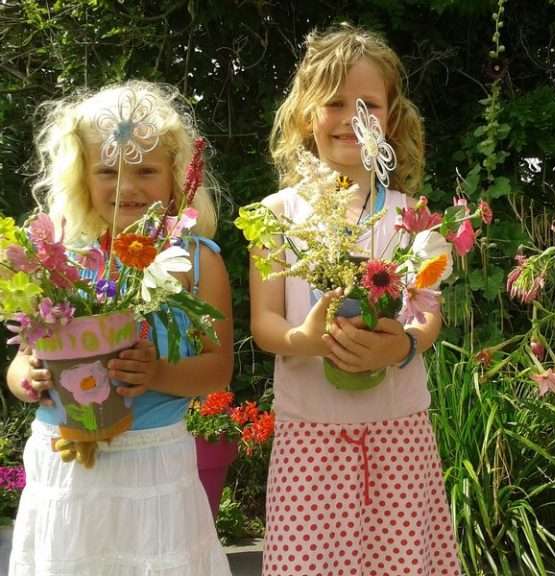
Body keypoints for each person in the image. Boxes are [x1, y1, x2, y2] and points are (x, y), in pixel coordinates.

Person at [251, 23, 461, 576]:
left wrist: (400, 349)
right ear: (305, 116)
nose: (351, 117)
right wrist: (304, 339)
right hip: (310, 434)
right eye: (334, 103)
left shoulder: (410, 217)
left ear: (389, 118)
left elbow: (427, 314)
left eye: (368, 103)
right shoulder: (276, 215)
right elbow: (266, 324)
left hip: (398, 430)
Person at [5, 80, 234, 576]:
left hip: (152, 462)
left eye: (146, 170)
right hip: (64, 461)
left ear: (176, 178)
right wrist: (29, 379)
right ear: (80, 178)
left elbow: (217, 369)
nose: (127, 187)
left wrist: (156, 373)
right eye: (107, 170)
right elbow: (22, 358)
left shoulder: (196, 262)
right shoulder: (58, 260)